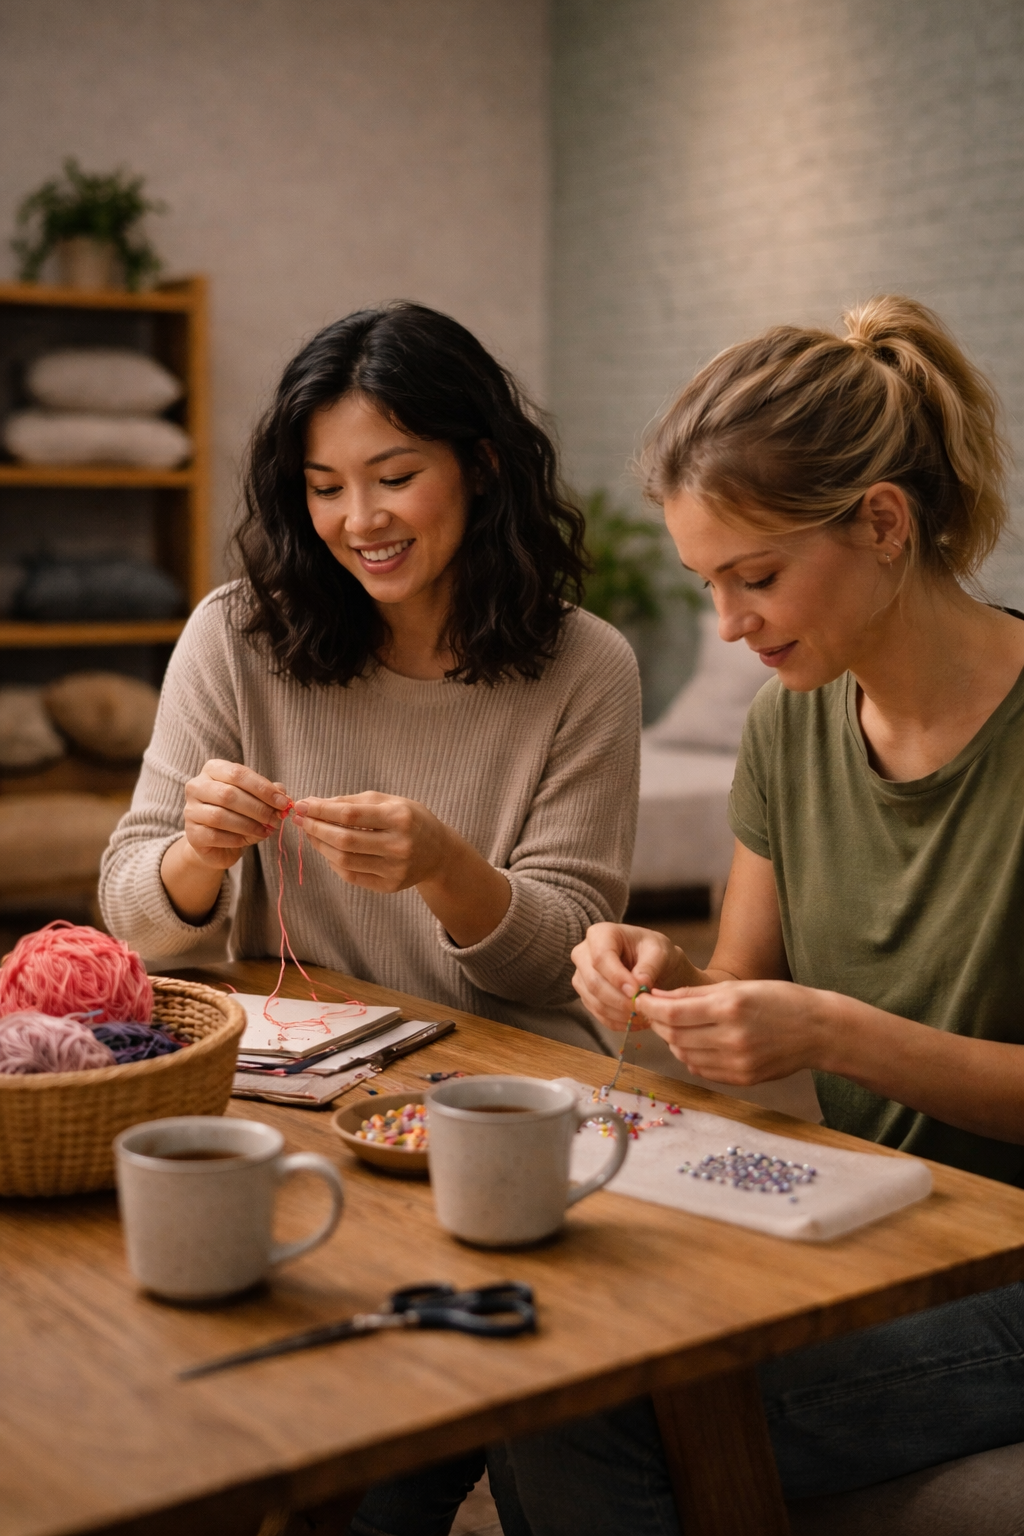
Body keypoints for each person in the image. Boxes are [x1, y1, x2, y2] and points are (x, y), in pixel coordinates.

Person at [488, 296, 1024, 1534]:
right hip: (881, 1213)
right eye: (706, 584)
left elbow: (818, 1028)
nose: (728, 627)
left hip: (1000, 1250)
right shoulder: (787, 725)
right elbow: (739, 982)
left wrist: (832, 1034)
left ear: (883, 522)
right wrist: (660, 982)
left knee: (589, 1408)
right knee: (535, 1340)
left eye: (758, 578)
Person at [100, 301, 640, 1053]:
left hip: (510, 1071)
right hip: (300, 1048)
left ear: (482, 467)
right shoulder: (234, 636)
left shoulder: (587, 664)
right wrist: (199, 854)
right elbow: (133, 924)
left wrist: (446, 867)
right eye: (325, 488)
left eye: (394, 477)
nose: (359, 521)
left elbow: (565, 963)